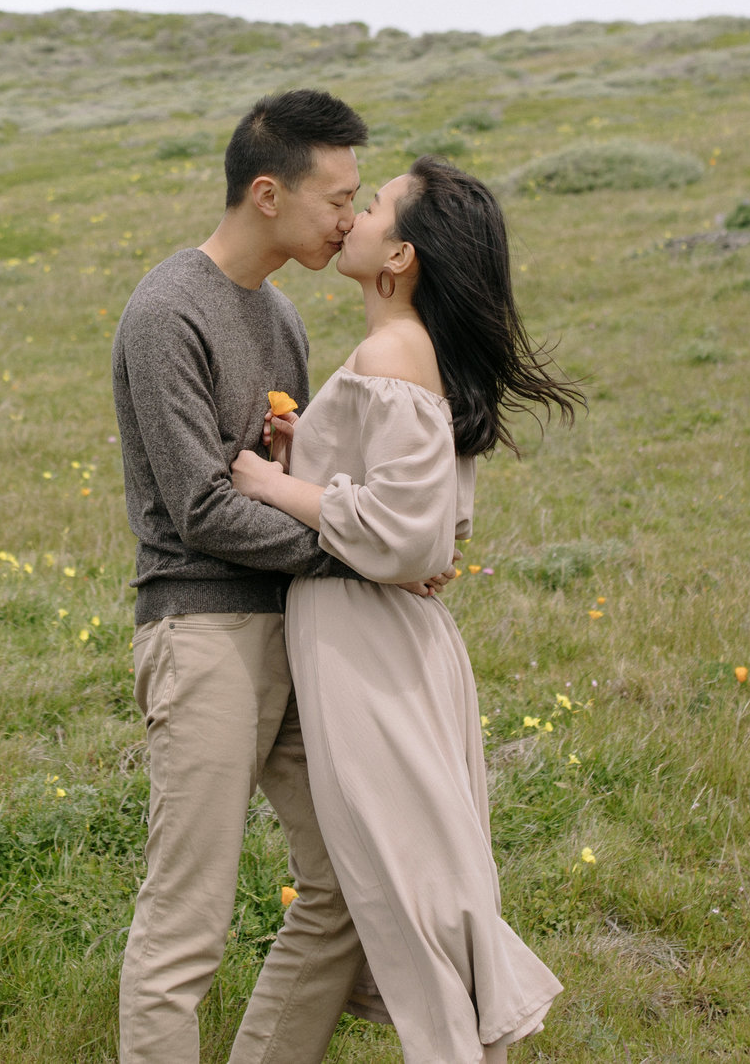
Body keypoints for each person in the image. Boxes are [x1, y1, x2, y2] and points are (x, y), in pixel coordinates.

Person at [112, 88, 445, 1064]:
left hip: (299, 632)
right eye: (336, 197)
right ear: (267, 192)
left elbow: (284, 483)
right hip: (203, 632)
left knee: (345, 884)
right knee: (186, 919)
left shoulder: (285, 319)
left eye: (356, 200)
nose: (350, 218)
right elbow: (200, 508)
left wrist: (350, 515)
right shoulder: (166, 310)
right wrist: (364, 551)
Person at [230, 155, 583, 1064]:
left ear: (401, 258)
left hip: (368, 649)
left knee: (412, 881)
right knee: (418, 870)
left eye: (376, 205)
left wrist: (272, 483)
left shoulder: (393, 352)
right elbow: (422, 512)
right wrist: (306, 446)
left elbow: (411, 536)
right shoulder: (405, 352)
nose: (354, 214)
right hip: (375, 639)